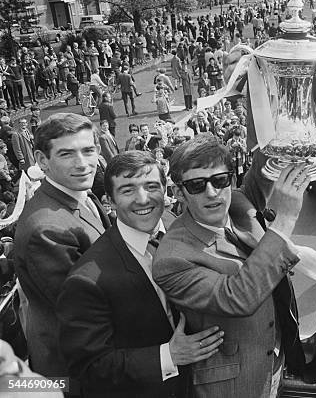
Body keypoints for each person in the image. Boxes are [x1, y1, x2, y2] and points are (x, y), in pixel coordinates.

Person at [57, 151, 224, 397]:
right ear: (110, 201)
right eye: (127, 190)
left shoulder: (175, 222)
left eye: (151, 186)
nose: (143, 199)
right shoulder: (86, 280)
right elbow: (89, 368)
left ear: (166, 190)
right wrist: (168, 356)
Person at [152, 138, 308, 397]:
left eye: (220, 180)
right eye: (197, 185)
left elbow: (264, 155)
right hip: (232, 385)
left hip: (273, 364)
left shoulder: (238, 202)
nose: (212, 192)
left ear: (231, 181)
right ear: (179, 193)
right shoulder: (172, 258)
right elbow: (238, 297)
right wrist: (286, 218)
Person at [13, 113, 111, 386]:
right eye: (66, 154)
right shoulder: (45, 229)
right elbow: (85, 310)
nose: (82, 164)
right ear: (42, 160)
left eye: (88, 150)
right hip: (78, 370)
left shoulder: (80, 193)